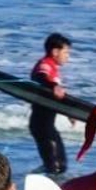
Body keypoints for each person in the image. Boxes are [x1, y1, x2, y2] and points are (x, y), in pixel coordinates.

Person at [30, 33, 73, 176]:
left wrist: (69, 113)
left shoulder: (53, 67)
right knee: (54, 167)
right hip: (41, 125)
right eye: (66, 52)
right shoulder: (45, 64)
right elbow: (39, 77)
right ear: (55, 52)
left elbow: (55, 99)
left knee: (61, 165)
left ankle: (35, 177)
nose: (68, 56)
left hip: (47, 125)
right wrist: (53, 85)